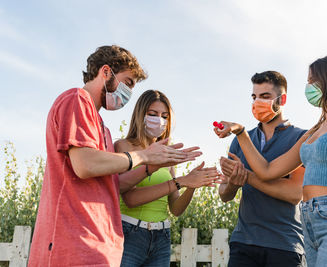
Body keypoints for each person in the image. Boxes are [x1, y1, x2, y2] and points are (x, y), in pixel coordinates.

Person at [28, 45, 202, 267]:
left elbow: (116, 186)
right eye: (128, 83)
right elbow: (84, 164)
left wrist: (160, 168)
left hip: (98, 245)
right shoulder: (76, 99)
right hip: (72, 245)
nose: (128, 93)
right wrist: (144, 157)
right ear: (106, 72)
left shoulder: (104, 130)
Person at [215, 54, 327, 267]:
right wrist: (240, 132)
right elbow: (267, 170)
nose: (309, 87)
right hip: (310, 222)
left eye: (314, 81)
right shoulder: (315, 129)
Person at [114, 89, 220, 266]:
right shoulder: (124, 146)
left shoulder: (167, 155)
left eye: (165, 116)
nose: (160, 120)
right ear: (140, 115)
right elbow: (130, 198)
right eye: (153, 114)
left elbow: (176, 209)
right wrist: (179, 182)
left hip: (162, 237)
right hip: (130, 234)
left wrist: (192, 183)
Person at [217, 71, 307, 266]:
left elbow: (294, 194)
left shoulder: (301, 138)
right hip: (243, 243)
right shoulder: (240, 141)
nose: (257, 102)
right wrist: (233, 182)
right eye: (254, 97)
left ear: (281, 99)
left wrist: (248, 177)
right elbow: (224, 194)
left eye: (265, 96)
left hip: (285, 245)